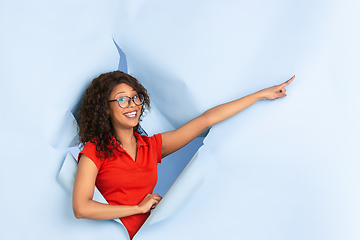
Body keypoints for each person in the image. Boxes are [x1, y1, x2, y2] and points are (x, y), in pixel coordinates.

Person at [72, 71, 294, 239]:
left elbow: (206, 119)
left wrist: (260, 95)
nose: (132, 105)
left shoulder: (151, 146)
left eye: (136, 97)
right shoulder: (95, 150)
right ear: (105, 108)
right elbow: (81, 208)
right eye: (122, 99)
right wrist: (138, 208)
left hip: (151, 234)